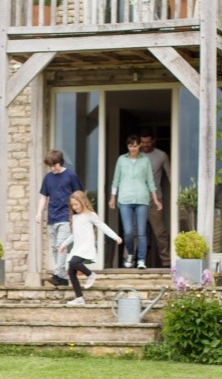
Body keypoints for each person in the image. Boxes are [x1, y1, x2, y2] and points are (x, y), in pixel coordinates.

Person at [59, 190, 122, 306]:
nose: (74, 207)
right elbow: (74, 235)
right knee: (71, 271)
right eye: (72, 205)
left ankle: (90, 274)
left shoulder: (90, 215)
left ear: (83, 202)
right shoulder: (75, 217)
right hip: (77, 248)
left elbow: (103, 226)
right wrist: (63, 244)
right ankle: (79, 298)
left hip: (86, 246)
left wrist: (115, 237)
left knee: (74, 262)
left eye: (76, 204)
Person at [108, 134, 162, 269]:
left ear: (139, 146)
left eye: (135, 146)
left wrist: (155, 199)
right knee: (128, 231)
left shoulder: (145, 161)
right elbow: (116, 180)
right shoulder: (121, 160)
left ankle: (141, 260)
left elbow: (150, 181)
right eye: (130, 146)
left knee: (142, 232)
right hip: (125, 199)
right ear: (128, 146)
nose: (133, 148)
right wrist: (113, 197)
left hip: (142, 199)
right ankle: (131, 254)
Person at [35, 149, 83, 286]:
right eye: (50, 166)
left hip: (65, 216)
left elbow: (79, 194)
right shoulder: (48, 178)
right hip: (52, 217)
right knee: (54, 247)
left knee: (61, 245)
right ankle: (62, 277)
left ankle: (57, 273)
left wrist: (80, 213)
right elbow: (44, 197)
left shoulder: (70, 175)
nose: (52, 168)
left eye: (54, 165)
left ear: (60, 162)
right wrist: (39, 212)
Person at [139, 127, 171, 266]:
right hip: (137, 198)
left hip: (155, 198)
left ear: (153, 141)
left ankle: (166, 261)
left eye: (148, 142)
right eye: (143, 142)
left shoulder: (161, 155)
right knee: (135, 232)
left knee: (159, 232)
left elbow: (170, 175)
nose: (145, 145)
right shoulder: (134, 156)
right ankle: (131, 260)